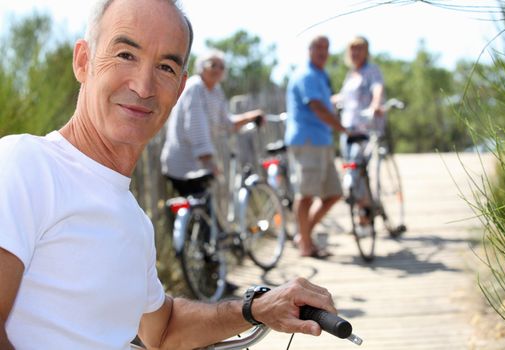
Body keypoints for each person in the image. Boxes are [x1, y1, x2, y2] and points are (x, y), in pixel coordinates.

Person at [0, 1, 337, 349]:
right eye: (126, 55)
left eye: (164, 66)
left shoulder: (134, 222)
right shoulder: (26, 164)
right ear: (83, 61)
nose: (144, 86)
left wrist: (258, 307)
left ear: (178, 88)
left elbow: (163, 330)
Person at [160, 49, 262, 222]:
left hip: (197, 163)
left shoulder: (215, 91)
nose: (218, 69)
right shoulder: (195, 88)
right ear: (201, 67)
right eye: (213, 64)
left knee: (204, 214)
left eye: (222, 66)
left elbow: (226, 122)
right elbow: (195, 126)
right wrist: (208, 161)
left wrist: (249, 117)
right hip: (185, 164)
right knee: (202, 215)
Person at [285, 35, 350, 258]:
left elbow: (327, 103)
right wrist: (342, 128)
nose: (323, 52)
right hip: (307, 141)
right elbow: (317, 107)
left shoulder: (321, 74)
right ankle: (305, 246)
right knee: (305, 196)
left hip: (322, 141)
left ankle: (303, 236)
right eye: (318, 47)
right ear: (310, 49)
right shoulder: (307, 74)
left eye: (326, 48)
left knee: (334, 193)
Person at [333, 36, 386, 236]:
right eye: (352, 49)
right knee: (351, 170)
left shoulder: (371, 71)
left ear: (366, 51)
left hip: (365, 129)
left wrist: (375, 105)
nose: (355, 53)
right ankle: (362, 214)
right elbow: (345, 98)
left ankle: (363, 217)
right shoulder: (351, 75)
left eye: (359, 49)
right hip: (347, 129)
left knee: (357, 169)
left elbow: (377, 88)